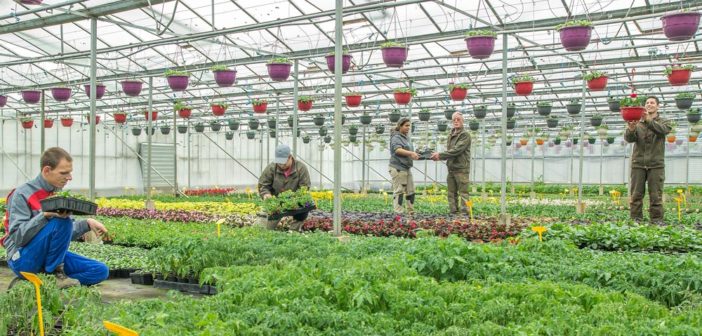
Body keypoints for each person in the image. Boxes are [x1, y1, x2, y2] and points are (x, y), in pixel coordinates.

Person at [1, 147, 109, 289]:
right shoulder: (22, 194)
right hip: (22, 258)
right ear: (46, 170)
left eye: (70, 172)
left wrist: (87, 223)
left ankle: (47, 283)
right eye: (64, 173)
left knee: (99, 271)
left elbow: (61, 234)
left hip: (47, 258)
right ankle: (54, 274)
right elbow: (18, 238)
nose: (69, 177)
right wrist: (44, 215)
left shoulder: (57, 195)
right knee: (61, 220)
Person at [624, 95, 672, 224]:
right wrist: (631, 129)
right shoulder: (637, 122)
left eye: (652, 102)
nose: (649, 104)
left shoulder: (664, 122)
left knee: (656, 195)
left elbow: (663, 131)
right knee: (636, 195)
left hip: (656, 165)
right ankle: (635, 220)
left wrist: (648, 120)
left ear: (658, 106)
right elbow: (629, 139)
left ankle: (656, 220)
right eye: (647, 103)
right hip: (638, 164)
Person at [258, 144, 311, 231]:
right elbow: (263, 185)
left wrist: (294, 200)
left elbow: (305, 188)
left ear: (290, 157)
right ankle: (266, 232)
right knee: (266, 226)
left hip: (295, 201)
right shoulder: (271, 168)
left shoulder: (301, 168)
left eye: (284, 162)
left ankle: (293, 232)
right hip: (275, 201)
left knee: (304, 208)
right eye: (279, 162)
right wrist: (266, 194)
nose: (281, 165)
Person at [431, 111, 472, 215]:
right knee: (451, 192)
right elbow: (450, 151)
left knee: (464, 193)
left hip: (461, 168)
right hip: (452, 168)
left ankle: (466, 213)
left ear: (463, 121)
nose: (456, 121)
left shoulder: (465, 135)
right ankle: (453, 212)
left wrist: (440, 155)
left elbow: (457, 150)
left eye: (458, 119)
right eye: (454, 120)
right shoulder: (451, 134)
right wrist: (440, 156)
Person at [389, 118, 419, 215]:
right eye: (406, 125)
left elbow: (408, 152)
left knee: (411, 190)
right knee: (399, 191)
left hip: (406, 168)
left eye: (409, 126)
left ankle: (411, 211)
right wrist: (411, 153)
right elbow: (397, 150)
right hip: (398, 167)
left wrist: (415, 154)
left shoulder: (406, 138)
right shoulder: (396, 137)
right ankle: (399, 213)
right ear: (400, 126)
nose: (408, 128)